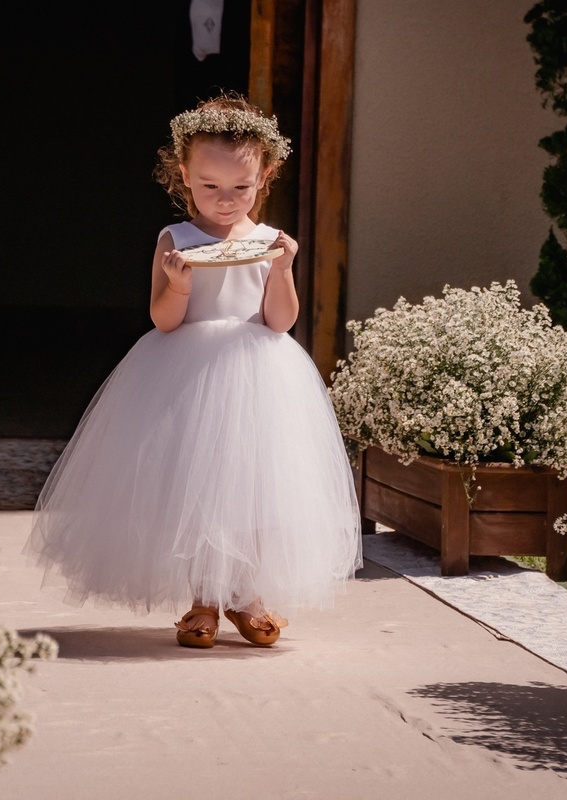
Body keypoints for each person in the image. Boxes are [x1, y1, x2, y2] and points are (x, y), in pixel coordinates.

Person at [23, 92, 362, 648]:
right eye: (208, 187)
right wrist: (179, 283)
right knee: (198, 490)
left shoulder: (269, 241)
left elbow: (280, 322)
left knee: (255, 490)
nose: (224, 201)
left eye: (240, 188)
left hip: (260, 377)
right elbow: (163, 320)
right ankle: (203, 600)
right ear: (184, 174)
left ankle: (245, 596)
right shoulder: (175, 239)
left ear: (265, 176)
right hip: (189, 377)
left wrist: (283, 270)